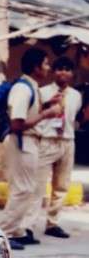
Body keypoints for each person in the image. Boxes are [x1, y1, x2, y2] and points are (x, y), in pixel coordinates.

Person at [0, 48, 62, 250]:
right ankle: (6, 233)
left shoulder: (31, 87)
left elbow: (28, 114)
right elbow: (17, 123)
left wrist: (45, 108)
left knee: (28, 188)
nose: (48, 67)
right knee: (22, 188)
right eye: (45, 64)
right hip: (22, 141)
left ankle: (17, 230)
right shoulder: (23, 89)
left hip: (29, 142)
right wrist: (47, 114)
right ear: (36, 67)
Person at [31, 56, 86, 239]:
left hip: (67, 141)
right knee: (38, 185)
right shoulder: (42, 92)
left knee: (61, 186)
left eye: (67, 69)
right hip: (47, 140)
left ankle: (52, 223)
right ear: (53, 72)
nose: (63, 72)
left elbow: (74, 118)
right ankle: (28, 225)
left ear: (72, 73)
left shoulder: (77, 96)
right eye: (59, 68)